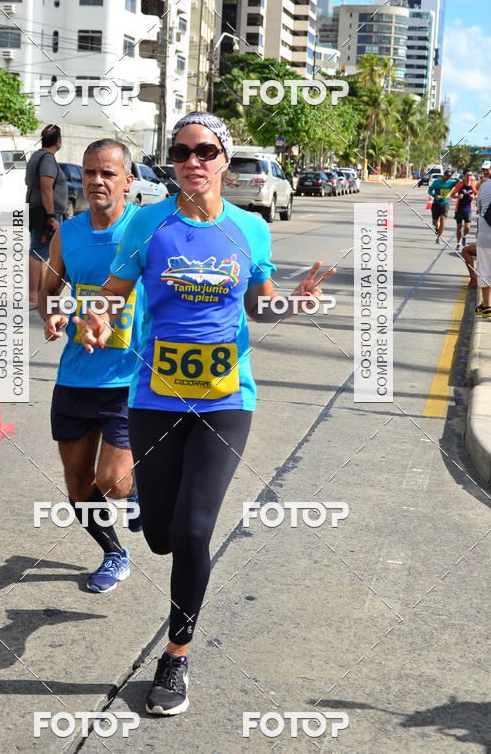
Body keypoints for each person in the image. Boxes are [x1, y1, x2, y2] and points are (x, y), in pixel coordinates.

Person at [73, 112, 335, 716]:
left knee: (194, 533)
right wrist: (94, 320)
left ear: (224, 159)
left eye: (206, 151)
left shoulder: (251, 228)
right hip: (154, 398)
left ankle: (176, 656)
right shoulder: (148, 223)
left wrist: (296, 304)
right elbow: (111, 298)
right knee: (161, 537)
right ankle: (150, 509)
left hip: (226, 400)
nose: (193, 161)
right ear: (173, 160)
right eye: (182, 151)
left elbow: (261, 309)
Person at [39, 139, 144, 592]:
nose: (96, 181)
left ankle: (137, 490)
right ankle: (114, 553)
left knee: (114, 482)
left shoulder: (145, 228)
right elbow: (48, 291)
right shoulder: (68, 234)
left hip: (130, 378)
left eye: (107, 173)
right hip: (77, 376)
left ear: (128, 180)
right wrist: (52, 315)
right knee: (79, 483)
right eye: (89, 172)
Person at [26, 125, 68, 305]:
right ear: (58, 141)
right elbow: (46, 187)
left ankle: (40, 292)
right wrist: (51, 216)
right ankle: (33, 295)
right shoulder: (48, 159)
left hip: (38, 209)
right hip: (46, 212)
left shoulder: (37, 155)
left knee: (41, 252)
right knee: (37, 251)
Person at [475, 171, 491, 316]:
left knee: (485, 270)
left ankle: (486, 306)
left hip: (486, 236)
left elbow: (479, 209)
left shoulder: (484, 186)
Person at [428, 167, 459, 245]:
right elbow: (430, 191)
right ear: (443, 175)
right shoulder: (436, 182)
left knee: (442, 220)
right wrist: (435, 196)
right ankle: (437, 227)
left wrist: (454, 178)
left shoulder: (451, 182)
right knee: (434, 222)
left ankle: (438, 238)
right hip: (436, 203)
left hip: (445, 204)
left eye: (449, 177)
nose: (447, 178)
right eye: (446, 176)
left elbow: (461, 181)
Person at [450, 168, 477, 252]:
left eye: (470, 175)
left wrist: (473, 197)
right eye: (467, 175)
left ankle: (464, 236)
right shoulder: (459, 184)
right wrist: (457, 196)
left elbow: (477, 195)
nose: (469, 177)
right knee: (459, 227)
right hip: (459, 209)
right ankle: (458, 243)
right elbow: (452, 195)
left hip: (468, 209)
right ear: (464, 176)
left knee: (467, 227)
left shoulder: (473, 184)